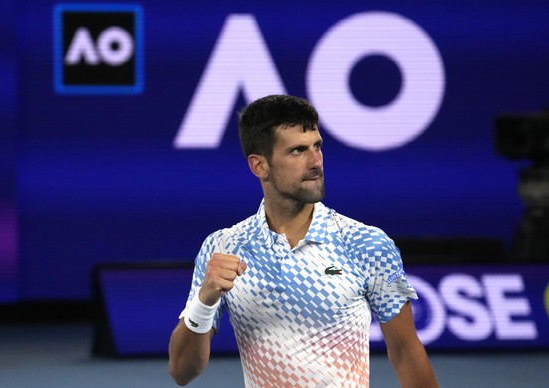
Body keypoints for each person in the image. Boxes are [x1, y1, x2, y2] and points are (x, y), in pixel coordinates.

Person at [168, 94, 438, 387]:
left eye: (317, 146)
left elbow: (406, 352)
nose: (316, 162)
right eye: (297, 151)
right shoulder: (222, 247)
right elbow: (182, 372)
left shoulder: (365, 244)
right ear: (260, 166)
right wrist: (204, 302)